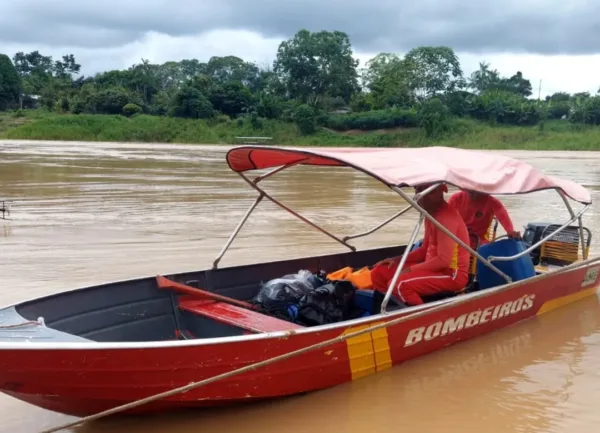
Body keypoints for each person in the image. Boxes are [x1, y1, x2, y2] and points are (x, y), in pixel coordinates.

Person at [370, 183, 470, 306]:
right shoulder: (430, 214)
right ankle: (392, 308)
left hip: (452, 274)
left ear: (441, 191)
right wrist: (396, 260)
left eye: (428, 191)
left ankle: (421, 318)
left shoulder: (446, 218)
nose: (422, 195)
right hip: (431, 268)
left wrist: (410, 270)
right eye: (418, 189)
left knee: (399, 284)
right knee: (378, 272)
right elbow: (424, 250)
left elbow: (444, 261)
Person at [447, 190, 519, 250]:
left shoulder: (491, 201)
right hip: (458, 241)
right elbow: (445, 218)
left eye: (476, 191)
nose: (473, 194)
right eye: (470, 191)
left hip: (479, 242)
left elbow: (502, 215)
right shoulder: (456, 198)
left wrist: (510, 231)